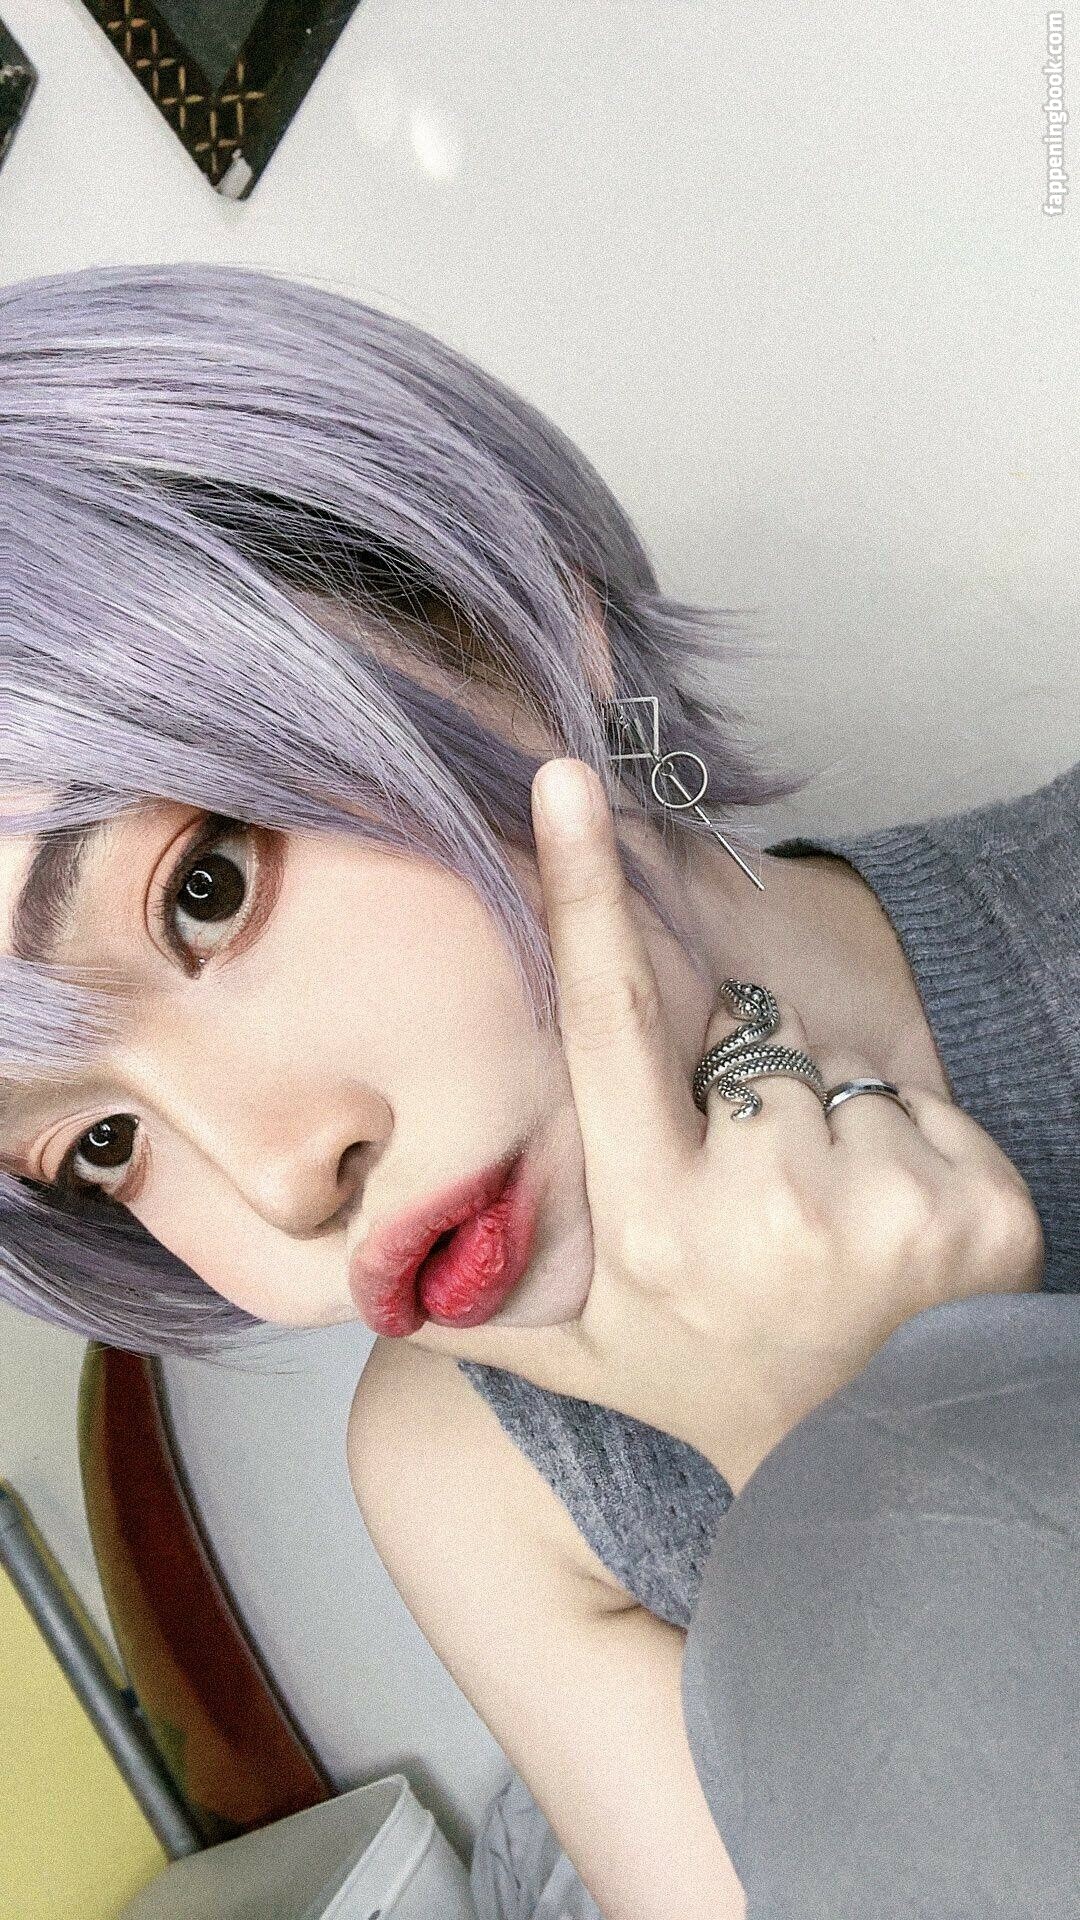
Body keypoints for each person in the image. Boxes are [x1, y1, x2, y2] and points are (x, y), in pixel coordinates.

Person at [1, 261, 1073, 1916]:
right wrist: (832, 1453)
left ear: (514, 620)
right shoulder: (461, 1472)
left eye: (205, 890)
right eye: (103, 1144)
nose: (278, 1178)